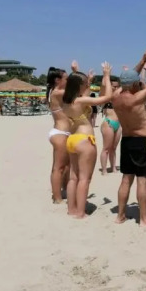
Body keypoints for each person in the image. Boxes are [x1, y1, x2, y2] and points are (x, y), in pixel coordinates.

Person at [113, 49, 146, 226]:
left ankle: (120, 216)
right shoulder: (137, 98)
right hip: (143, 141)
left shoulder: (115, 97)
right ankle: (144, 218)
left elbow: (130, 78)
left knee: (126, 179)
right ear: (135, 84)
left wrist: (142, 60)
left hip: (127, 140)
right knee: (144, 179)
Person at [62, 63, 113, 218]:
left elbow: (84, 91)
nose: (87, 86)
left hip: (72, 139)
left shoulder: (67, 101)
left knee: (73, 177)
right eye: (85, 84)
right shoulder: (80, 101)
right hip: (85, 140)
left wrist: (84, 78)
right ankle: (80, 212)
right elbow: (107, 98)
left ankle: (71, 209)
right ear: (79, 86)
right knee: (84, 179)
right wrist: (106, 76)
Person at [46, 66, 70, 203]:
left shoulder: (57, 92)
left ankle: (64, 190)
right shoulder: (56, 93)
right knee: (58, 167)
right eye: (66, 78)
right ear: (57, 80)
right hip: (60, 132)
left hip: (64, 132)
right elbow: (76, 91)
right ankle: (57, 197)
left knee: (67, 166)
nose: (68, 80)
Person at [100, 76, 122, 175]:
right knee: (106, 148)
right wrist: (106, 75)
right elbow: (103, 88)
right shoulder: (106, 97)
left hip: (118, 124)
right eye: (114, 86)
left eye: (117, 86)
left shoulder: (120, 97)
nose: (116, 88)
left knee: (113, 148)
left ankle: (113, 167)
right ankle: (104, 169)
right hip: (108, 123)